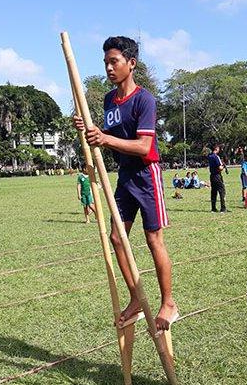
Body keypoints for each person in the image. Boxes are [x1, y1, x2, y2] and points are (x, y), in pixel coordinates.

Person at [72, 36, 177, 332]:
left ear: (131, 64)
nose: (108, 67)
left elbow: (144, 146)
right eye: (105, 62)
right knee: (117, 238)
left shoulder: (144, 99)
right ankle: (135, 298)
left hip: (146, 174)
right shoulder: (108, 100)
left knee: (153, 239)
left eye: (114, 61)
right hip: (124, 177)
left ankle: (168, 302)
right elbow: (111, 134)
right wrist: (92, 131)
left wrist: (105, 139)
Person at [208, 144, 228, 212]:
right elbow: (220, 168)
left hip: (212, 176)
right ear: (216, 149)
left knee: (213, 192)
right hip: (217, 176)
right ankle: (223, 208)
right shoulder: (216, 157)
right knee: (222, 191)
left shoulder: (210, 156)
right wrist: (223, 166)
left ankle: (213, 208)